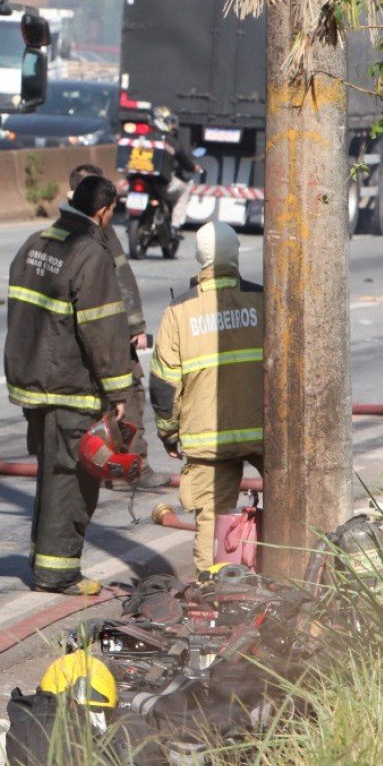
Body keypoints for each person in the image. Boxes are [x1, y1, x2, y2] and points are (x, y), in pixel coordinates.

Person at [4, 176, 135, 596]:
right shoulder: (90, 255)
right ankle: (57, 571)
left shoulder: (35, 243)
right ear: (103, 211)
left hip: (34, 385)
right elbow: (104, 332)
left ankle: (43, 559)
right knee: (73, 481)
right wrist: (119, 392)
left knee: (50, 473)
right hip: (70, 386)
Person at [150, 223, 264, 572]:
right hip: (264, 433)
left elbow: (165, 384)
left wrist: (168, 432)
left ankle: (211, 594)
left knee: (210, 523)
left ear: (201, 258)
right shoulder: (263, 300)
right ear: (237, 254)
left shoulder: (178, 312)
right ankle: (283, 580)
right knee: (292, 506)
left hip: (206, 438)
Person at [68, 162, 162, 488]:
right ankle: (131, 468)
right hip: (110, 330)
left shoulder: (58, 230)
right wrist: (136, 325)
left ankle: (95, 463)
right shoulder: (101, 230)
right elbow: (121, 277)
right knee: (129, 391)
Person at [151, 105, 204, 233]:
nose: (172, 125)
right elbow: (184, 161)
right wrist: (194, 167)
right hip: (160, 183)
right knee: (185, 189)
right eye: (169, 122)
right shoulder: (172, 142)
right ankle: (175, 226)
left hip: (140, 179)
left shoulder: (146, 136)